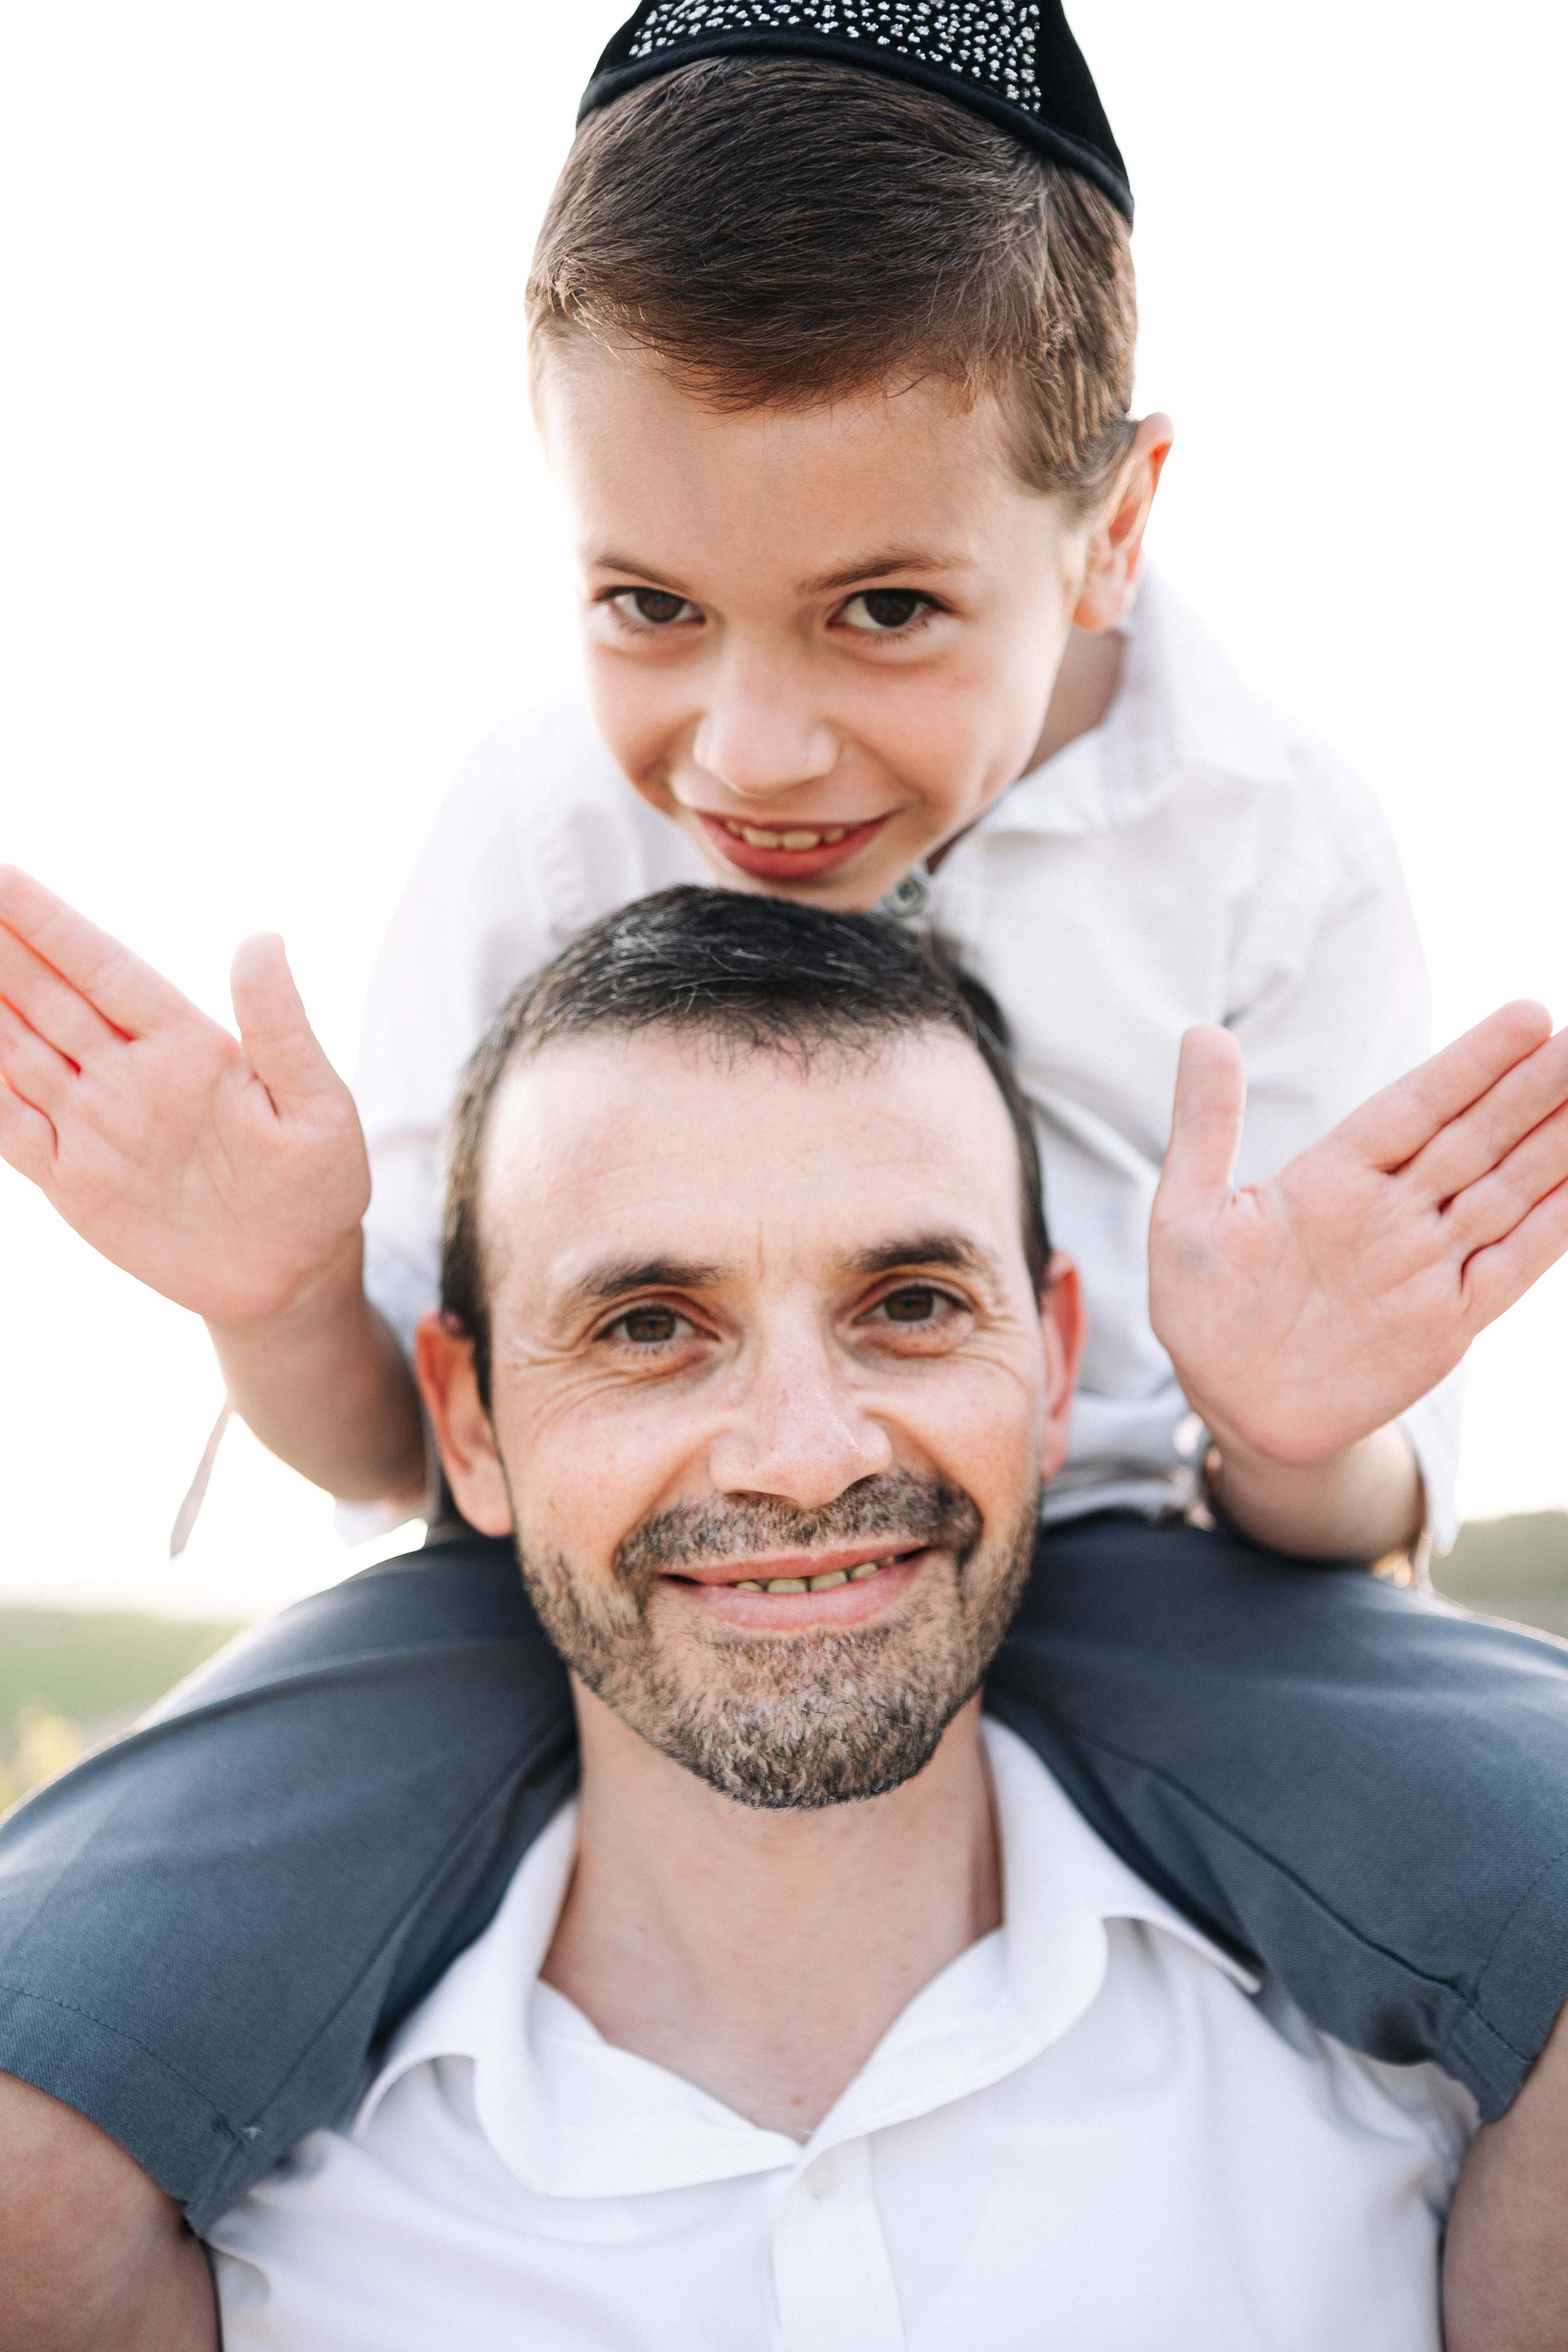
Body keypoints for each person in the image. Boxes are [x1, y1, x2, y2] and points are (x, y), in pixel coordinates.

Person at [1, 4, 1567, 2340]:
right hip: (555, 1605)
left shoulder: (1278, 845)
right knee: (38, 2098)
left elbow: (1357, 1513)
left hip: (1159, 1567)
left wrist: (1288, 1423)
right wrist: (273, 1290)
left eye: (886, 610)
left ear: (1114, 528)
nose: (749, 746)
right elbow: (420, 1438)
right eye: (649, 605)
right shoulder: (536, 821)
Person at [6, 890, 1533, 2349]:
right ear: (467, 1425)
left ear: (1057, 1365)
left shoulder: (1447, 2132)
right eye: (647, 1326)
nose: (805, 1457)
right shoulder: (215, 2256)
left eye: (911, 1304)